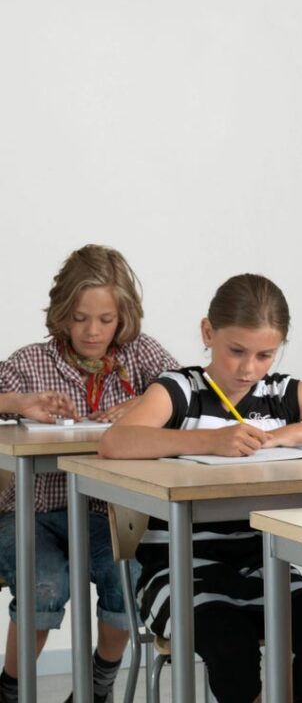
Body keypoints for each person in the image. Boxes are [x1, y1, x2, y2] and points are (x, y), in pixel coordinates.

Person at [100, 273, 302, 703]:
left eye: (264, 355)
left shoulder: (280, 394)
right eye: (236, 351)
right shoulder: (181, 389)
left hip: (262, 564)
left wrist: (290, 433)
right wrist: (209, 441)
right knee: (231, 649)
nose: (248, 368)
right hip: (178, 569)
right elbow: (116, 441)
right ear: (208, 333)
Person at [0, 244, 178, 703]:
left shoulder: (140, 356)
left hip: (103, 512)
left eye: (105, 319)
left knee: (129, 577)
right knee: (46, 585)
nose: (93, 331)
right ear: (62, 313)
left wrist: (144, 403)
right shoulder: (30, 363)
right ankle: (11, 690)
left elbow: (190, 391)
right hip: (28, 512)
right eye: (80, 318)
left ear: (123, 316)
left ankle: (96, 689)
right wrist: (19, 403)